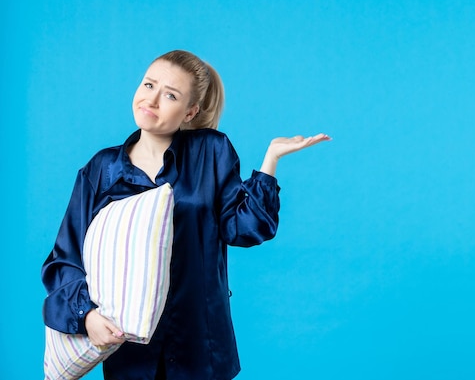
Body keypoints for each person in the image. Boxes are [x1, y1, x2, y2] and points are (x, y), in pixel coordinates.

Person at [41, 49, 330, 379]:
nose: (152, 99)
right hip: (130, 354)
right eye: (149, 85)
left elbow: (243, 228)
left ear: (191, 111)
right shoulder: (101, 169)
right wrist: (87, 316)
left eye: (171, 95)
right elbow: (65, 257)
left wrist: (271, 160)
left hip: (200, 346)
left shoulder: (211, 151)